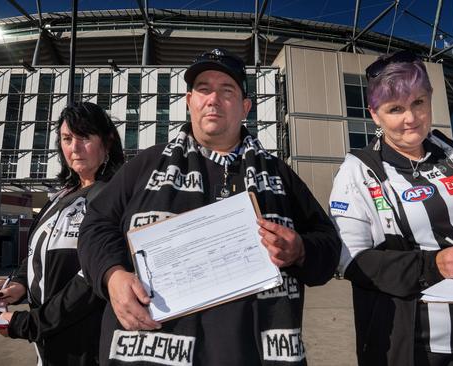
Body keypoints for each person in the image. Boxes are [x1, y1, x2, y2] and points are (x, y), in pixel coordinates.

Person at [77, 48, 341, 365]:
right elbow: (95, 226)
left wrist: (300, 250)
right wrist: (113, 276)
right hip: (150, 351)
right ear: (190, 101)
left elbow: (328, 241)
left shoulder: (279, 175)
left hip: (251, 354)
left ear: (245, 107)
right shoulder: (145, 166)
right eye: (203, 89)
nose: (213, 99)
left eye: (226, 90)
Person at [329, 50, 453, 366]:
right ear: (375, 115)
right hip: (411, 344)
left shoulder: (452, 153)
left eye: (418, 102)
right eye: (396, 109)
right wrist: (434, 265)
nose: (411, 117)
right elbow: (351, 261)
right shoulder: (358, 171)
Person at [0, 102, 124, 366]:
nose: (74, 147)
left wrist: (33, 323)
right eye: (67, 138)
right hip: (47, 347)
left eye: (84, 137)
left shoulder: (115, 195)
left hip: (89, 349)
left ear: (107, 142)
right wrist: (17, 284)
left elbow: (92, 280)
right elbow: (34, 256)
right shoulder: (61, 196)